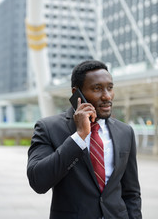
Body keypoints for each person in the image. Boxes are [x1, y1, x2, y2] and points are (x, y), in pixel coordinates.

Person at [27, 60, 142, 219]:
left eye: (110, 88)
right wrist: (79, 137)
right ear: (76, 93)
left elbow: (131, 192)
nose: (107, 96)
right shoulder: (48, 128)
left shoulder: (125, 132)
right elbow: (38, 182)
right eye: (97, 88)